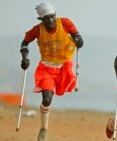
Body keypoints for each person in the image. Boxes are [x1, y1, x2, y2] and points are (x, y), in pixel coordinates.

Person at [20, 2, 83, 141]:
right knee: (47, 99)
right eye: (46, 18)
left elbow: (77, 36)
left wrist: (78, 40)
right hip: (46, 68)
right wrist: (25, 58)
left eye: (51, 17)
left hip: (63, 66)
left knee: (57, 93)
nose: (50, 20)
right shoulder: (37, 30)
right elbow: (24, 43)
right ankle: (43, 128)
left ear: (55, 15)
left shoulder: (65, 23)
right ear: (41, 20)